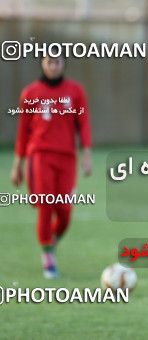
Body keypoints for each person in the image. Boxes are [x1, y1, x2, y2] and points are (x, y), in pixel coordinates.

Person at [11, 52, 92, 279]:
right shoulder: (30, 93)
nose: (53, 66)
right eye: (49, 62)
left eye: (57, 62)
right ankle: (48, 256)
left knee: (65, 211)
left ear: (63, 64)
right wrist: (17, 164)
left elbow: (83, 124)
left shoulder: (75, 91)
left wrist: (87, 153)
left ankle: (51, 243)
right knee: (46, 206)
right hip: (40, 155)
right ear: (43, 64)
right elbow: (22, 132)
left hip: (67, 158)